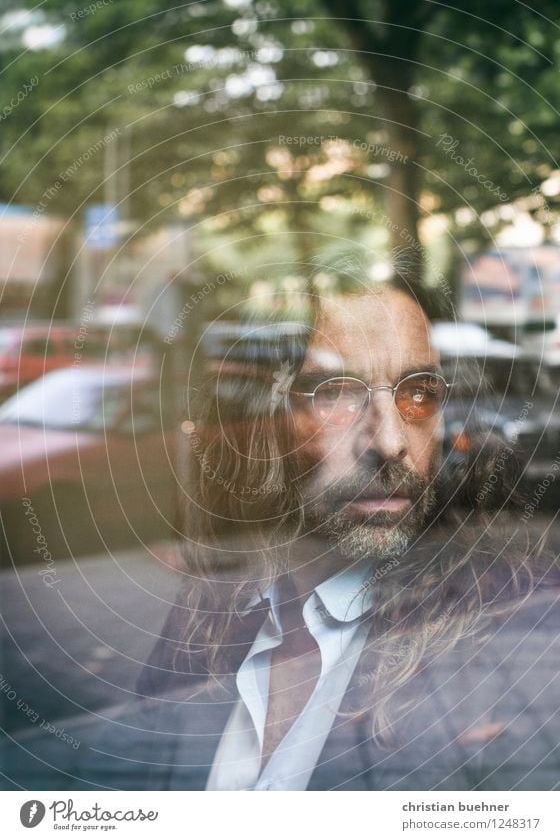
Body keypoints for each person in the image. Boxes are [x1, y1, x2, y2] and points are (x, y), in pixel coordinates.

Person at [5, 259, 559, 791]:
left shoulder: (515, 632)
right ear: (268, 421)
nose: (390, 441)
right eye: (336, 393)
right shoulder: (215, 610)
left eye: (418, 393)